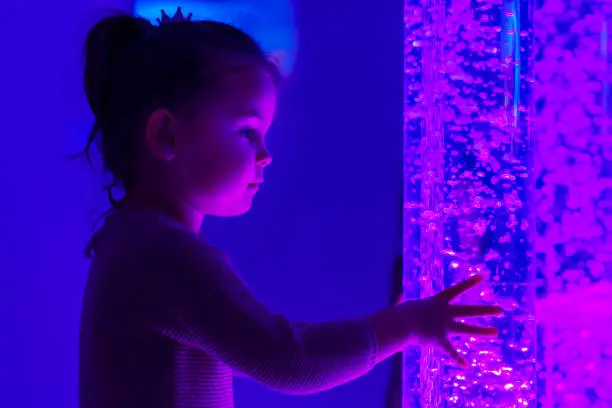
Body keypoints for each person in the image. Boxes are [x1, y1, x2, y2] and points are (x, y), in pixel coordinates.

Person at [78, 8, 503, 408]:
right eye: (247, 132)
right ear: (166, 134)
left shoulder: (133, 244)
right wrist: (407, 324)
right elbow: (289, 361)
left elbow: (253, 345)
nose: (265, 155)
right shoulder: (162, 255)